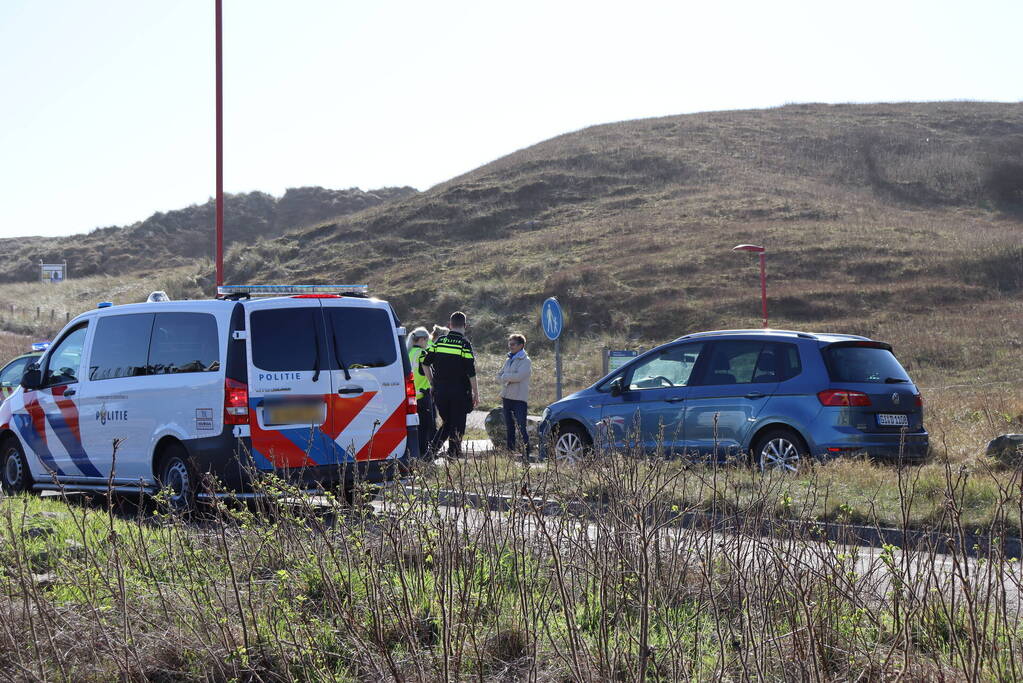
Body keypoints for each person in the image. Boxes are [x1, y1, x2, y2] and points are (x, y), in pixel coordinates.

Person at [422, 312, 478, 458]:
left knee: (448, 423)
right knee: (457, 425)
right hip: (459, 392)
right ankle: (452, 455)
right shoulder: (464, 345)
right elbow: (471, 372)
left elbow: (425, 363)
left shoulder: (439, 341)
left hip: (440, 392)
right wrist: (476, 393)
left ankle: (431, 454)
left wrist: (432, 382)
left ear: (449, 325)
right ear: (465, 326)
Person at [497, 333, 532, 457]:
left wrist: (505, 377)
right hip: (507, 397)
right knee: (509, 427)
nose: (510, 346)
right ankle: (510, 453)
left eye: (513, 344)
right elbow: (498, 375)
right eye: (509, 344)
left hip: (519, 399)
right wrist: (506, 377)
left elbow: (519, 376)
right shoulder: (508, 359)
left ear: (521, 345)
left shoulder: (526, 361)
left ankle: (527, 453)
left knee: (522, 428)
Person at [407, 327, 434, 458]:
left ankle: (415, 452)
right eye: (426, 340)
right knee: (426, 426)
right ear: (422, 339)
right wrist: (434, 384)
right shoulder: (422, 354)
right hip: (423, 395)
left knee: (415, 427)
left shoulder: (408, 352)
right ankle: (423, 453)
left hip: (411, 396)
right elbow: (427, 372)